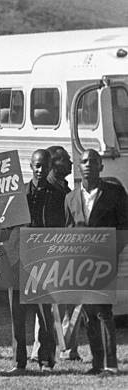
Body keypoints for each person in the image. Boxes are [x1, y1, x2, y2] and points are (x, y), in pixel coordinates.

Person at [65, 149, 128, 375]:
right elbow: (68, 231)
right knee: (88, 314)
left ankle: (110, 364)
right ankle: (96, 362)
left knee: (104, 313)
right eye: (84, 161)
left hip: (105, 262)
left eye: (93, 161)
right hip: (81, 266)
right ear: (78, 167)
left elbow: (124, 227)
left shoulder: (115, 193)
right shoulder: (70, 198)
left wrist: (111, 252)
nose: (88, 164)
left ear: (101, 166)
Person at [8, 149, 60, 373]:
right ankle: (18, 362)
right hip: (17, 261)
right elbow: (6, 226)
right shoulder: (17, 194)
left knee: (45, 314)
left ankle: (46, 360)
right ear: (30, 166)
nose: (40, 170)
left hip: (43, 262)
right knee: (16, 315)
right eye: (37, 165)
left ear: (49, 168)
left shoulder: (58, 195)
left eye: (44, 166)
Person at [30, 146, 82, 362]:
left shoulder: (64, 188)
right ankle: (46, 350)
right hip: (49, 255)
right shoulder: (48, 191)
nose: (71, 163)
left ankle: (67, 349)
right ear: (54, 163)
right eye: (67, 160)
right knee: (49, 305)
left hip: (63, 253)